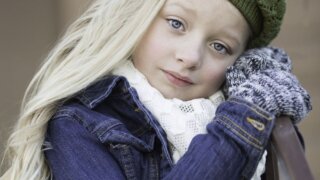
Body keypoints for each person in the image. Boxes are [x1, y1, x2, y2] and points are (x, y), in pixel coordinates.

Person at [1, 0, 311, 179]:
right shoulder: (80, 125)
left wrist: (258, 102)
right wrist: (245, 116)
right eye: (176, 24)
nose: (189, 57)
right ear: (140, 17)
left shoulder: (248, 103)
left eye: (220, 46)